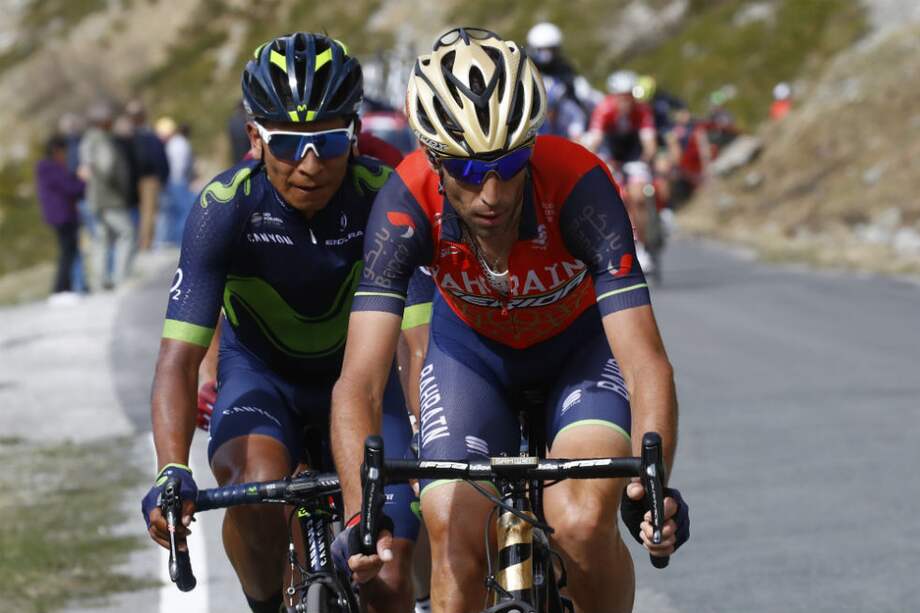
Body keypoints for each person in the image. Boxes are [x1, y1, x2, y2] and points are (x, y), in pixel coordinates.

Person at [331, 28, 689, 613]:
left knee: (579, 521)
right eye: (468, 173)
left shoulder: (580, 185)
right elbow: (360, 383)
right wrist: (358, 514)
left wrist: (650, 486)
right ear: (433, 157)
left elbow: (645, 361)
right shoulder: (403, 204)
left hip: (578, 360)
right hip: (470, 363)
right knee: (451, 531)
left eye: (510, 163)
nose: (491, 194)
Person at [140, 32, 418, 613]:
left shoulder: (384, 196)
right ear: (255, 138)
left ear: (355, 133)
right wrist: (171, 468)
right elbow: (178, 359)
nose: (310, 164)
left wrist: (426, 432)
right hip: (262, 381)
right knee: (257, 488)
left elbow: (416, 344)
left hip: (364, 385)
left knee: (390, 579)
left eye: (328, 141)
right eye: (289, 144)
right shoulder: (225, 208)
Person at [585, 69, 659, 272]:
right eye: (620, 97)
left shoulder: (642, 110)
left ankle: (642, 247)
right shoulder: (604, 109)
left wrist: (645, 160)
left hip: (634, 155)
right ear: (613, 96)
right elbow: (594, 141)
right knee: (618, 197)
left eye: (628, 97)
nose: (625, 102)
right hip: (611, 155)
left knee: (638, 197)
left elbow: (649, 143)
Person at [78, 101, 134, 290]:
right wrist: (121, 186)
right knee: (126, 232)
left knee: (101, 238)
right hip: (109, 196)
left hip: (94, 197)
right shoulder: (101, 140)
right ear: (102, 121)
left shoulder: (86, 141)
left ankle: (99, 282)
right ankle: (121, 277)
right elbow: (108, 167)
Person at [35, 135, 85, 302]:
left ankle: (66, 289)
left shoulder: (49, 167)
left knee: (69, 251)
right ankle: (59, 290)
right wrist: (83, 180)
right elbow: (69, 188)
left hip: (62, 214)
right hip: (61, 215)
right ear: (56, 150)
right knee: (66, 252)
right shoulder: (50, 167)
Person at [126, 100, 170, 251]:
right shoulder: (145, 134)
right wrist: (163, 175)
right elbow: (156, 157)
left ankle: (143, 243)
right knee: (148, 212)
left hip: (135, 178)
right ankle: (145, 244)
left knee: (143, 212)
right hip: (147, 178)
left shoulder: (130, 135)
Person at [155, 117, 196, 246]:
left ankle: (167, 239)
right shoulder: (181, 143)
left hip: (170, 180)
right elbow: (180, 166)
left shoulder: (173, 143)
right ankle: (180, 239)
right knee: (183, 211)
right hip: (178, 181)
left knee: (169, 211)